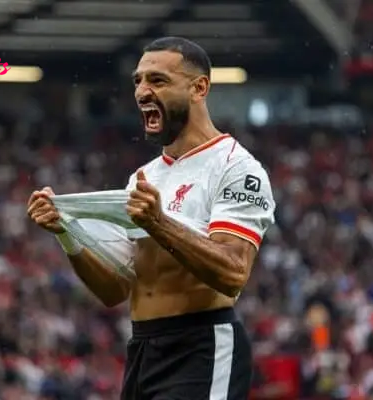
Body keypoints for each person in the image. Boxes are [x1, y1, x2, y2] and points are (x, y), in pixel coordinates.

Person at [27, 36, 276, 400]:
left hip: (201, 345)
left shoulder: (236, 168)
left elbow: (234, 273)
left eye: (157, 80)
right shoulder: (145, 176)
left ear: (199, 88)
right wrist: (65, 232)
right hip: (144, 347)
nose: (142, 91)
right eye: (138, 81)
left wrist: (158, 223)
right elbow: (114, 291)